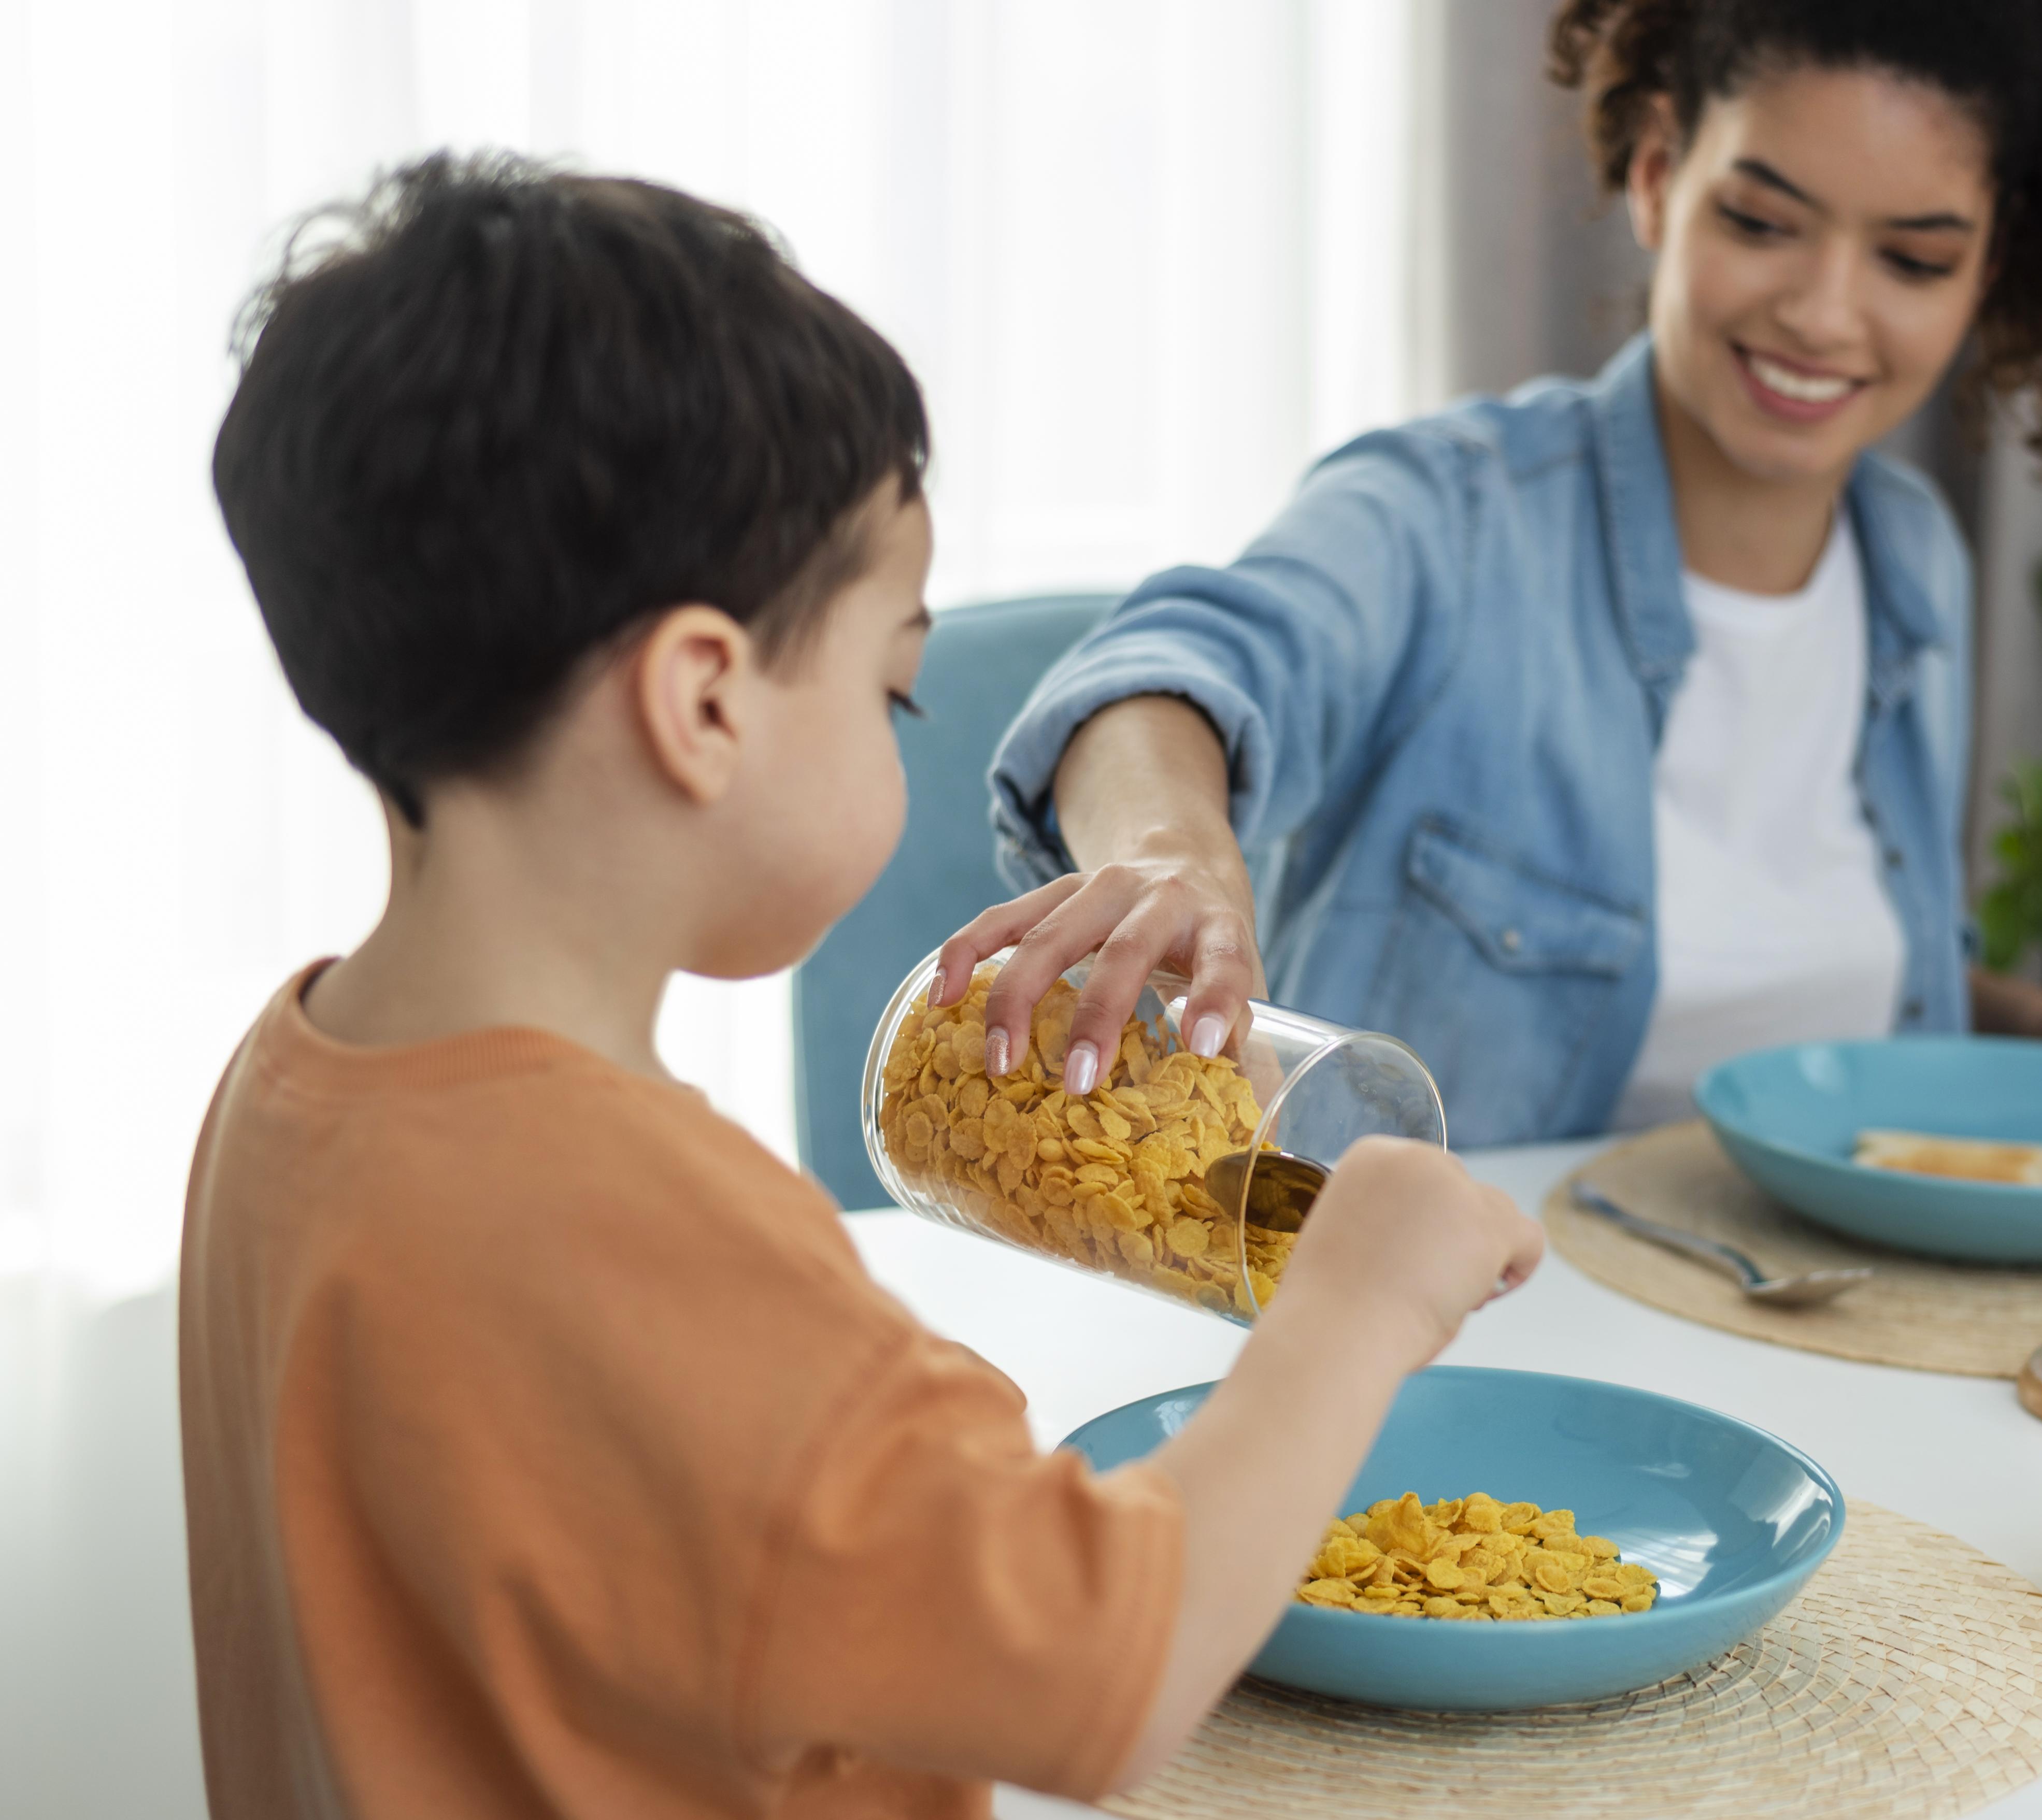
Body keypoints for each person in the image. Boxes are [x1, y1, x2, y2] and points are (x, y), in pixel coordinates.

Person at [183, 154, 1541, 1820]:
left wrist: (892, 1423)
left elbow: (607, 1524)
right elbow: (1102, 1674)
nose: (912, 728)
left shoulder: (295, 1087)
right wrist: (1361, 1299)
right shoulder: (644, 1229)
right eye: (898, 689)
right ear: (704, 701)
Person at [962, 0, 2042, 1147]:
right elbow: (1167, 672)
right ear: (1653, 176)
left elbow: (1776, 961)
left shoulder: (1912, 564)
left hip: (1820, 1315)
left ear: (1989, 268)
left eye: (1912, 258)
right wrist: (1175, 854)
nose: (1823, 310)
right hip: (1446, 1322)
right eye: (1761, 220)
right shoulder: (1446, 513)